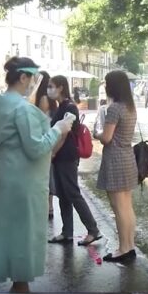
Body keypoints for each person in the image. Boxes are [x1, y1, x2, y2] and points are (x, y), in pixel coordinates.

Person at [0, 57, 74, 293]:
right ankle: (21, 289)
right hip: (24, 182)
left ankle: (16, 283)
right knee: (23, 234)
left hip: (3, 176)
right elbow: (36, 147)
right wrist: (58, 129)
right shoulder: (22, 109)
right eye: (33, 78)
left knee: (6, 230)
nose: (34, 84)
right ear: (23, 77)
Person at [47, 75, 102, 246]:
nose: (49, 90)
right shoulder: (62, 106)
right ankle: (67, 232)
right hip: (60, 156)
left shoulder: (69, 107)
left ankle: (93, 229)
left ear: (61, 87)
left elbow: (64, 134)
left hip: (66, 156)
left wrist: (53, 153)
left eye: (51, 86)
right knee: (63, 194)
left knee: (72, 193)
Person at [93, 70, 138, 263]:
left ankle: (123, 248)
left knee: (119, 208)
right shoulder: (130, 107)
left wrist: (95, 133)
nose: (105, 86)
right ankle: (130, 245)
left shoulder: (114, 109)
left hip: (115, 160)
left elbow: (106, 138)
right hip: (128, 157)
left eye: (106, 83)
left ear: (113, 86)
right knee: (127, 206)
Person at [33, 71, 58, 219]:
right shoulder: (50, 98)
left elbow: (40, 119)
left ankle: (48, 206)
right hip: (50, 136)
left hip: (44, 136)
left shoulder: (42, 98)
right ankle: (49, 205)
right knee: (48, 172)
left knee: (46, 173)